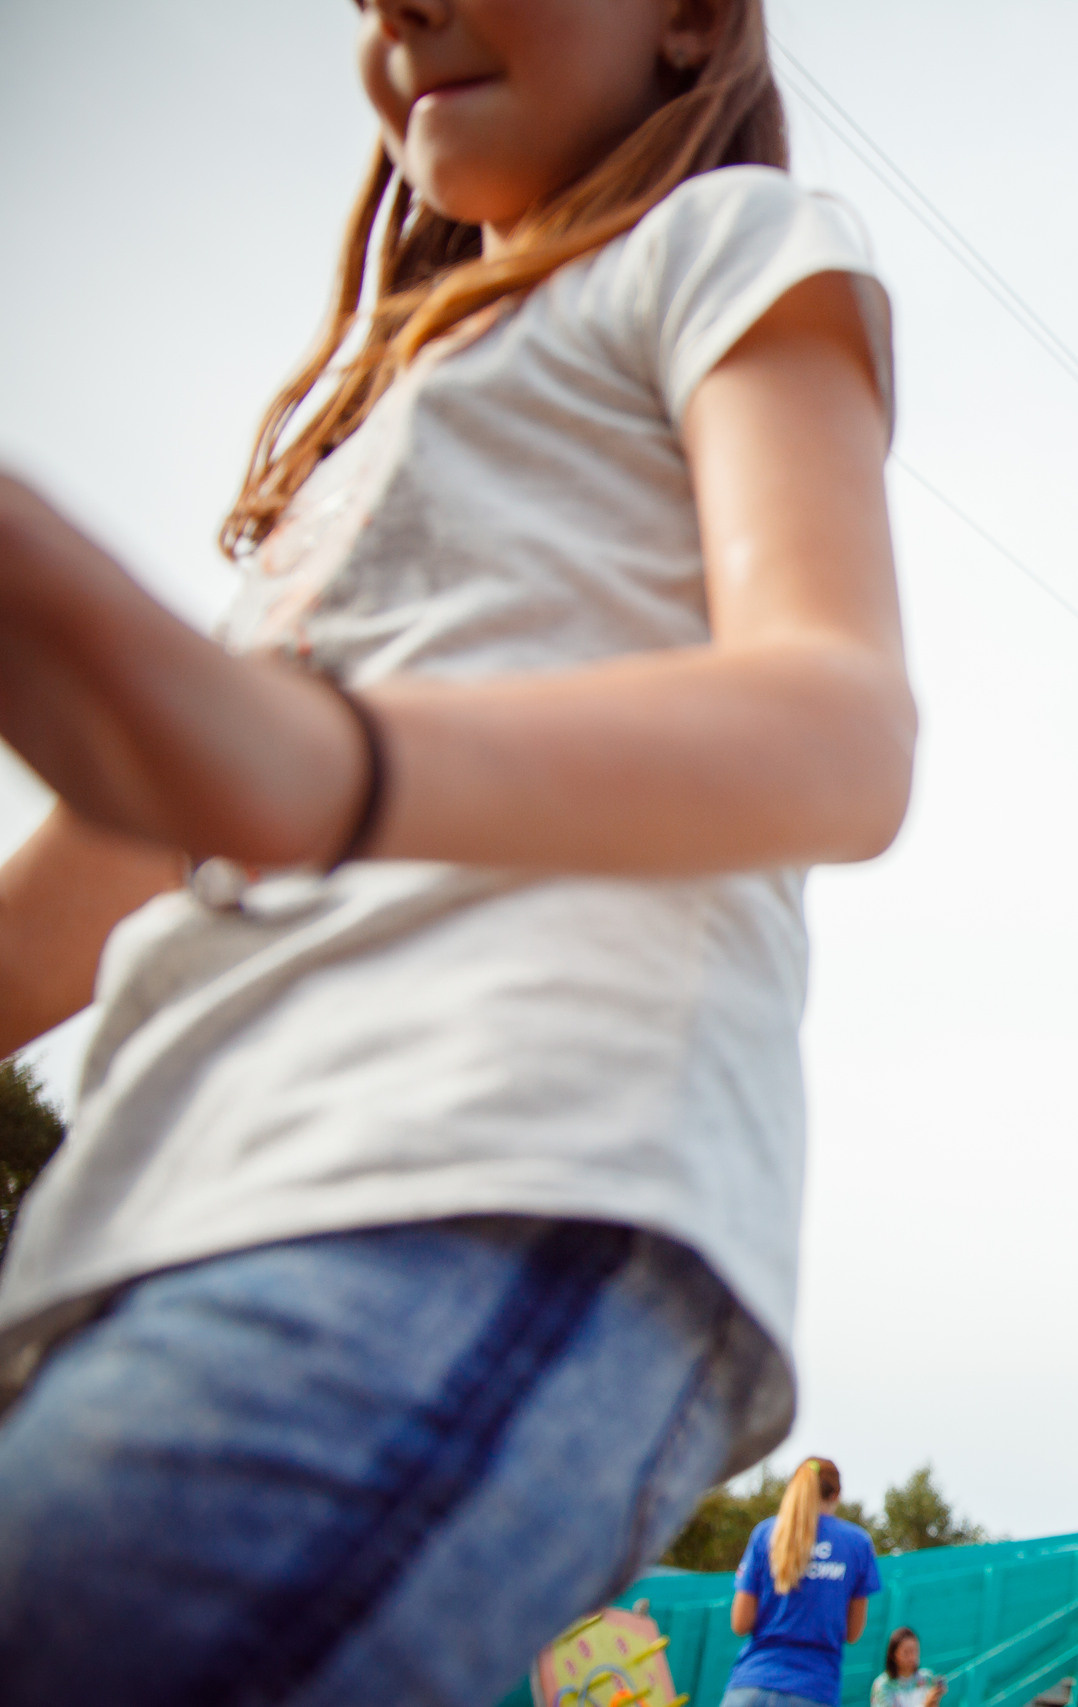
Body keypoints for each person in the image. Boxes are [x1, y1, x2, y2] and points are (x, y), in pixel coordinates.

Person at [0, 1, 912, 1698]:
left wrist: (318, 764)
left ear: (693, 16)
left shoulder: (719, 242)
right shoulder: (369, 438)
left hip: (481, 1183)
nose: (392, 10)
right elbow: (128, 843)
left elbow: (843, 731)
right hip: (151, 1224)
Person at [727, 1458, 882, 1707]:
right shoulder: (858, 1543)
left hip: (750, 1686)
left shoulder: (766, 1534)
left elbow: (740, 1623)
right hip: (813, 1690)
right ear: (837, 1494)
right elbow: (852, 1633)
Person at [870, 1627, 946, 1707]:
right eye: (906, 1652)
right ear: (893, 1655)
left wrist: (936, 1697)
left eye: (915, 1651)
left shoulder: (927, 1677)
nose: (912, 1657)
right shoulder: (882, 1685)